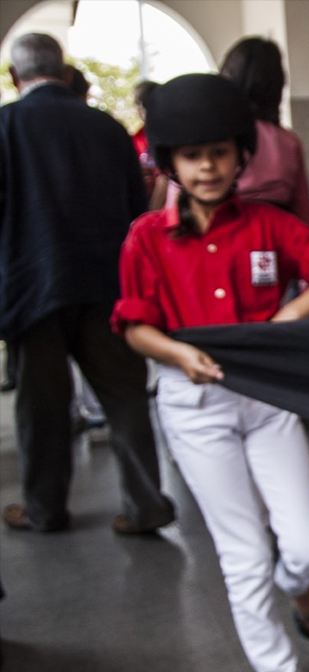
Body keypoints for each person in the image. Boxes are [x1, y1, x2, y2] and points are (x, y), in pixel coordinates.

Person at [111, 73, 309, 672]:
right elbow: (134, 324)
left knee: (308, 541)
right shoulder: (145, 238)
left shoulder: (269, 223)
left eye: (220, 151)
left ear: (240, 151)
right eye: (192, 155)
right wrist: (177, 353)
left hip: (269, 401)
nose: (208, 166)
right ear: (168, 161)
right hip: (196, 409)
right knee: (243, 552)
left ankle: (299, 583)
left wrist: (291, 316)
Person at [0, 33, 176, 535]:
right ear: (65, 69)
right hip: (107, 285)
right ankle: (146, 505)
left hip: (33, 291)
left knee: (43, 407)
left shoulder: (6, 125)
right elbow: (133, 211)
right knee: (125, 399)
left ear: (16, 76)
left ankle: (44, 508)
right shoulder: (107, 128)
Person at [218, 36, 309, 224]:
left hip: (221, 238)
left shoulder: (213, 136)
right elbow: (305, 217)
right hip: (276, 244)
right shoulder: (288, 142)